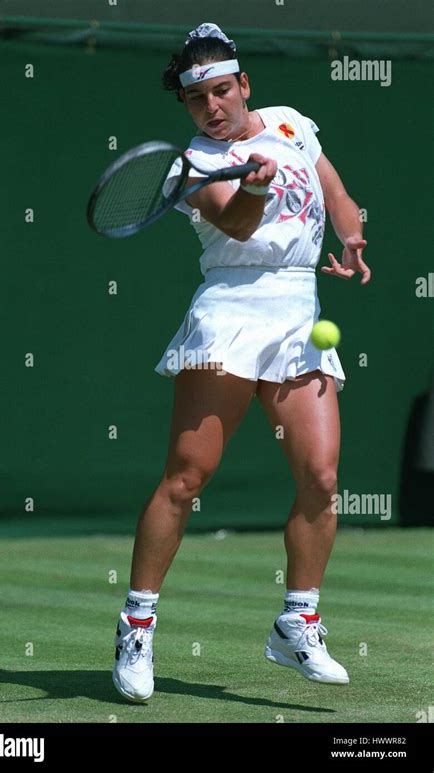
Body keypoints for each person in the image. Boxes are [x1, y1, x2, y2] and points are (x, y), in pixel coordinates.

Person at [113, 22, 371, 703]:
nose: (212, 109)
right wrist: (253, 187)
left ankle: (298, 620)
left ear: (244, 84)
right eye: (197, 101)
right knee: (186, 476)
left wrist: (349, 233)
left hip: (298, 312)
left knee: (320, 474)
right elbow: (235, 225)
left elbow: (335, 189)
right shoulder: (191, 165)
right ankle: (136, 624)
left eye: (221, 92)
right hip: (229, 315)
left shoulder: (290, 125)